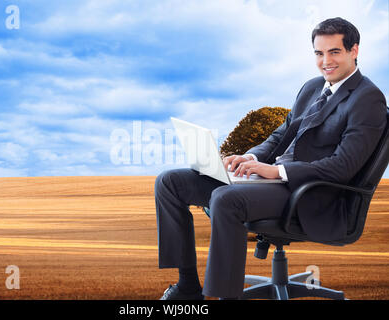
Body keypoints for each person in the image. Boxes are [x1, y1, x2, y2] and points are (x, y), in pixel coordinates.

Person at [155, 17, 387, 300]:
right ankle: (187, 288)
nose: (325, 61)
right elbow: (281, 135)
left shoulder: (368, 99)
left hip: (311, 195)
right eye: (319, 53)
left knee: (226, 199)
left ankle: (225, 297)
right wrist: (250, 158)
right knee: (170, 182)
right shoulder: (312, 87)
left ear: (354, 51)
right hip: (273, 183)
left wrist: (276, 172)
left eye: (334, 52)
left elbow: (344, 166)